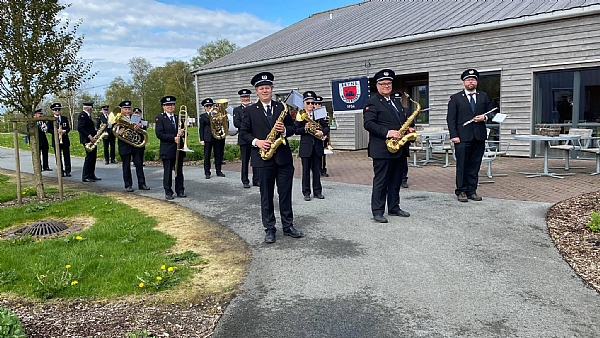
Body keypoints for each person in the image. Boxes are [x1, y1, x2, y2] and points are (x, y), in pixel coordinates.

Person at [239, 71, 303, 244]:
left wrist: (285, 131)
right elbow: (243, 133)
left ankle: (288, 226)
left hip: (283, 158)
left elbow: (294, 129)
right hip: (263, 158)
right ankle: (269, 228)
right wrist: (257, 142)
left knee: (285, 194)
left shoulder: (282, 108)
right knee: (266, 195)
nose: (265, 91)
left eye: (267, 87)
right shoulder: (250, 111)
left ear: (272, 89)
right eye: (261, 88)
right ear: (257, 91)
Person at [363, 69, 411, 223]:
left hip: (398, 148)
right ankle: (377, 211)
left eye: (389, 83)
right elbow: (368, 124)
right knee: (381, 181)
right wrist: (388, 132)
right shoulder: (372, 102)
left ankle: (394, 207)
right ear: (377, 85)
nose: (386, 86)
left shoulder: (396, 101)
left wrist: (407, 129)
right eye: (383, 83)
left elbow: (400, 120)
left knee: (396, 180)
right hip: (382, 149)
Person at [446, 68, 493, 202]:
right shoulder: (455, 98)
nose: (470, 81)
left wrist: (484, 118)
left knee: (474, 165)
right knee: (462, 165)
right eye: (468, 80)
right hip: (462, 137)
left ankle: (471, 191)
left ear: (476, 82)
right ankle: (461, 191)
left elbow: (492, 112)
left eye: (473, 79)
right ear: (463, 83)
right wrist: (454, 135)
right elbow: (451, 119)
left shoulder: (483, 96)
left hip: (479, 137)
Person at [295, 91, 329, 201]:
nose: (310, 105)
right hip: (306, 147)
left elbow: (326, 127)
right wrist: (305, 128)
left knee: (316, 171)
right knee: (305, 171)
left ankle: (317, 191)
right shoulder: (300, 115)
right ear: (304, 103)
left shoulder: (319, 114)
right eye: (308, 103)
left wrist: (322, 133)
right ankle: (306, 192)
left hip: (317, 146)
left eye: (312, 103)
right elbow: (296, 130)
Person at [155, 95, 186, 200]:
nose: (170, 107)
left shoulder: (178, 117)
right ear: (163, 107)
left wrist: (182, 133)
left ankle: (180, 190)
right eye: (167, 105)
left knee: (179, 171)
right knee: (167, 171)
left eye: (172, 105)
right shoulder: (160, 118)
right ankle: (168, 191)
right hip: (167, 149)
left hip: (179, 148)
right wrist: (173, 138)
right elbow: (159, 134)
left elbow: (185, 131)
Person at [116, 101, 149, 192]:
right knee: (126, 166)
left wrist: (140, 125)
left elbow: (145, 124)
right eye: (125, 109)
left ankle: (142, 184)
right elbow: (112, 130)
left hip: (135, 145)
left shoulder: (135, 117)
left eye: (129, 109)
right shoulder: (117, 119)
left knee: (139, 165)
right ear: (121, 110)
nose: (127, 111)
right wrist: (119, 132)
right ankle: (128, 185)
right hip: (124, 145)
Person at [233, 88, 259, 188]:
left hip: (254, 138)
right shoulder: (237, 110)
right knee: (245, 161)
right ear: (241, 99)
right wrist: (248, 124)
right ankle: (245, 180)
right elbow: (236, 123)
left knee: (255, 160)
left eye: (247, 97)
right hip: (244, 139)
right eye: (243, 97)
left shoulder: (254, 108)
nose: (245, 99)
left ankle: (256, 180)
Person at [198, 98, 226, 179]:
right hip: (207, 138)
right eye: (207, 106)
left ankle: (219, 171)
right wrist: (202, 139)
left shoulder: (216, 114)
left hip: (216, 137)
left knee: (218, 155)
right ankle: (207, 172)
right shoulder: (203, 116)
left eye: (210, 105)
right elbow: (201, 128)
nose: (209, 107)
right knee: (207, 156)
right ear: (204, 107)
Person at [78, 101, 101, 182]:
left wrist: (95, 131)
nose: (92, 110)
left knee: (93, 158)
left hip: (92, 139)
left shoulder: (88, 116)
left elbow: (88, 127)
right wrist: (89, 135)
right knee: (89, 158)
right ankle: (86, 176)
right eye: (92, 108)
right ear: (89, 109)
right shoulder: (82, 115)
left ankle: (91, 174)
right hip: (87, 140)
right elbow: (80, 128)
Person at [47, 103, 71, 177]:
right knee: (58, 156)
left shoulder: (64, 118)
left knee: (66, 156)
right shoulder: (50, 120)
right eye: (55, 110)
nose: (57, 111)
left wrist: (64, 131)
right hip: (56, 140)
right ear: (52, 111)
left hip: (65, 139)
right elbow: (49, 130)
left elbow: (68, 128)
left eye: (59, 109)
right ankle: (60, 171)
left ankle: (68, 171)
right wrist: (56, 131)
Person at [314, 96, 330, 177]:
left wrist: (324, 134)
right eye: (316, 103)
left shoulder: (323, 114)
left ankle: (323, 169)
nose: (318, 105)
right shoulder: (311, 113)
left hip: (322, 136)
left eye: (319, 104)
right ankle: (315, 168)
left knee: (322, 154)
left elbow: (327, 126)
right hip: (314, 136)